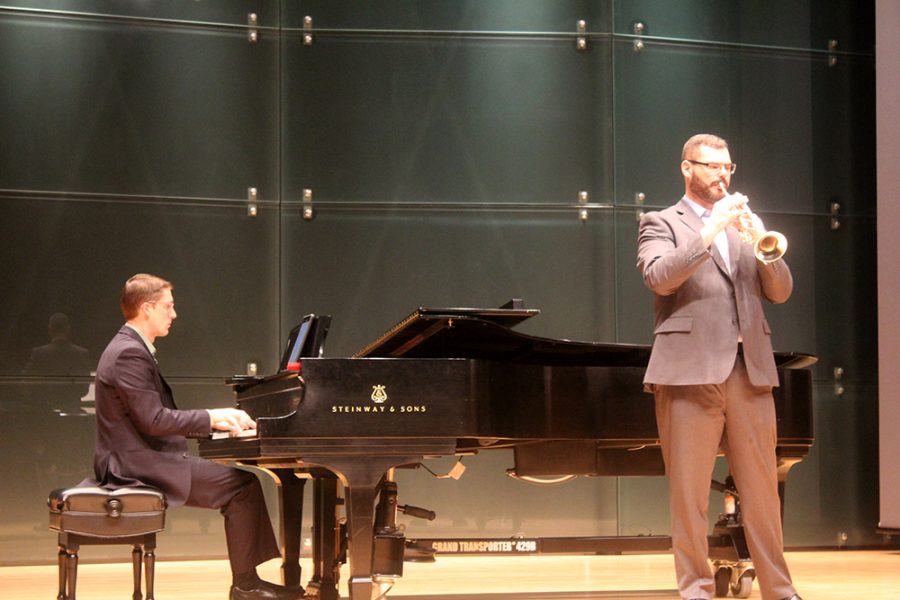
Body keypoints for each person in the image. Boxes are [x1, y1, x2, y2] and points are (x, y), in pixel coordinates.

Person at [636, 134, 802, 600]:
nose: (721, 175)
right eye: (711, 167)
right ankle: (696, 591)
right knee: (688, 495)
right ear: (686, 168)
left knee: (763, 495)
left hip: (748, 371)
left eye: (727, 167)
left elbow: (781, 292)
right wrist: (708, 232)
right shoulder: (660, 221)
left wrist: (764, 244)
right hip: (688, 374)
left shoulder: (744, 227)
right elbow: (659, 277)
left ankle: (780, 590)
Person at [89, 274, 304, 600]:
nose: (174, 314)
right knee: (242, 487)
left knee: (243, 485)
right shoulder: (128, 353)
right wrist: (211, 419)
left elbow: (151, 419)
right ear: (147, 308)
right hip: (134, 466)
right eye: (168, 306)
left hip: (136, 457)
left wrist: (213, 424)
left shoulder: (129, 347)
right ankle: (246, 586)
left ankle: (248, 582)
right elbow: (154, 420)